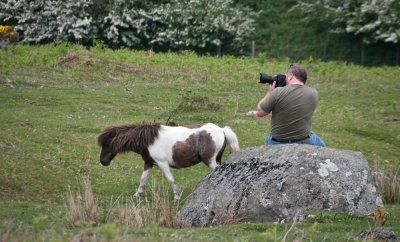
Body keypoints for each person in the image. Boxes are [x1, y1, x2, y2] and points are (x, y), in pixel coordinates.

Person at [254, 64, 325, 147]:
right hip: (303, 140)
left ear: (290, 76)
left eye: (285, 75)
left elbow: (260, 113)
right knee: (321, 145)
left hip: (278, 141)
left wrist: (269, 92)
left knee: (269, 137)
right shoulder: (313, 93)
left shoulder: (277, 92)